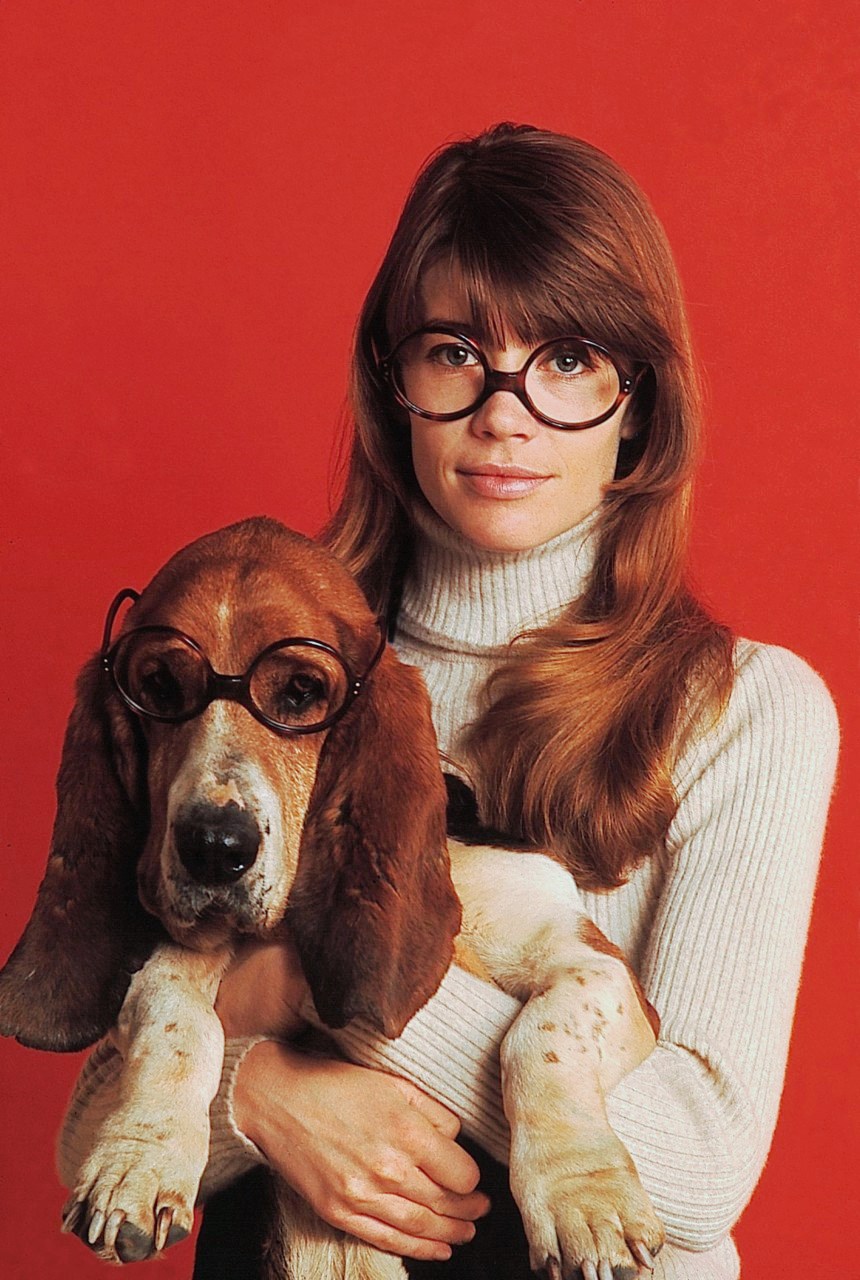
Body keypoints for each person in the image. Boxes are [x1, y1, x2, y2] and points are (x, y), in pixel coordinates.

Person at [58, 123, 839, 1279]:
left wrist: (300, 985)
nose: (504, 411)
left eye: (566, 357)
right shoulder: (276, 664)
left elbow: (699, 1163)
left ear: (636, 400)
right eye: (455, 350)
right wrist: (257, 1094)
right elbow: (91, 1142)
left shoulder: (744, 708)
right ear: (394, 381)